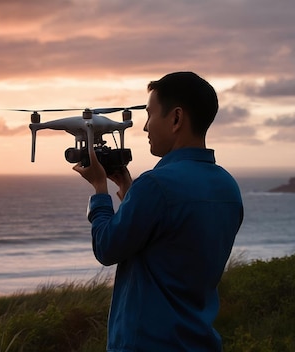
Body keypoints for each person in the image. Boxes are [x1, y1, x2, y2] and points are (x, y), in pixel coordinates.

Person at [73, 71, 244, 351]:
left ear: (176, 118)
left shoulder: (155, 186)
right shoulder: (227, 187)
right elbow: (171, 243)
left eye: (150, 115)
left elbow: (106, 248)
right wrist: (129, 190)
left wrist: (99, 189)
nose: (145, 128)